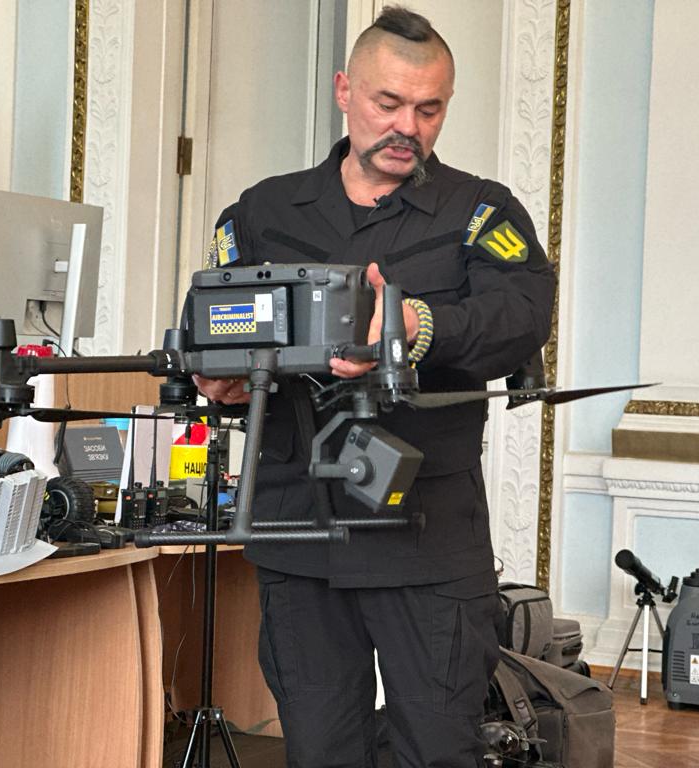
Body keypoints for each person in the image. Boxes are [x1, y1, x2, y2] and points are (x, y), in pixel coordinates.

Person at [194, 7, 555, 767]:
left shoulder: (479, 212)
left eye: (429, 109)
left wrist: (417, 324)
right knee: (319, 749)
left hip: (427, 534)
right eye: (388, 104)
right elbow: (215, 324)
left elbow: (523, 316)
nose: (407, 128)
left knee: (438, 748)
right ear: (344, 91)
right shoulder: (262, 212)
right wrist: (218, 378)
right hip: (298, 529)